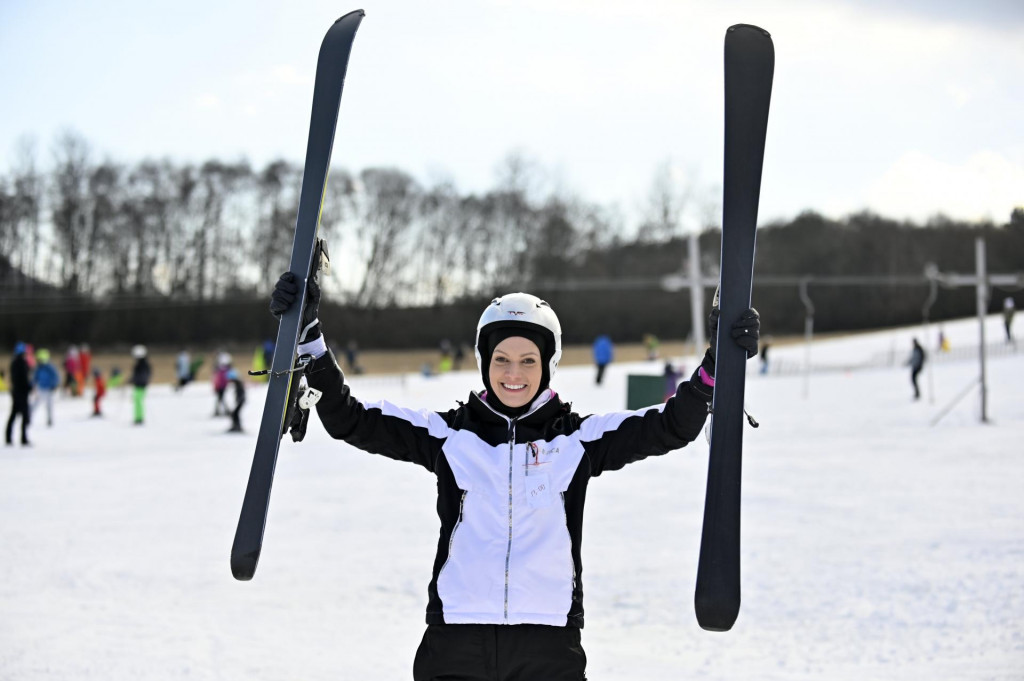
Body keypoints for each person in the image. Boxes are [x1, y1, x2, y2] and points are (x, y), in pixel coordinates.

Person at [270, 272, 761, 681]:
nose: (514, 373)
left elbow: (671, 426)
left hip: (547, 644)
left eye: (529, 360)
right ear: (485, 364)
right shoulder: (448, 436)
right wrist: (308, 332)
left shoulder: (577, 440)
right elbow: (349, 418)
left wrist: (717, 365)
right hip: (455, 639)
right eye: (501, 359)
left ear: (548, 366)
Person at [6, 342, 33, 447]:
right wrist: (29, 387)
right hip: (22, 393)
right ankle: (23, 438)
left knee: (13, 415)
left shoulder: (14, 362)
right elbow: (24, 379)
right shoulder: (22, 363)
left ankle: (8, 438)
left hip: (15, 392)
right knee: (24, 416)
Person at [32, 349, 60, 427]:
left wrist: (54, 386)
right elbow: (35, 378)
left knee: (49, 405)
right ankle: (29, 418)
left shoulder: (50, 367)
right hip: (41, 389)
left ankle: (50, 420)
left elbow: (56, 377)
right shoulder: (38, 368)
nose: (38, 360)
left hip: (49, 389)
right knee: (35, 404)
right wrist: (32, 385)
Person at [130, 345, 152, 425]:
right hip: (141, 385)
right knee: (137, 402)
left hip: (140, 385)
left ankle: (139, 418)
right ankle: (138, 417)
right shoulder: (144, 364)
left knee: (138, 402)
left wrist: (133, 380)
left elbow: (139, 376)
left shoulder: (141, 365)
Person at [226, 368, 246, 433]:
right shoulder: (237, 383)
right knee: (235, 414)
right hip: (240, 401)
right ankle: (236, 426)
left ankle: (237, 426)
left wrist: (238, 401)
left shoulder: (238, 383)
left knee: (235, 414)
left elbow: (241, 393)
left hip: (240, 401)